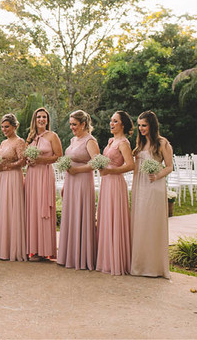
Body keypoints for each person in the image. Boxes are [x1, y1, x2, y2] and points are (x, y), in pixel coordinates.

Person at [130, 111, 173, 278]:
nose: (141, 128)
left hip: (154, 185)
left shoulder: (162, 143)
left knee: (152, 223)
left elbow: (169, 166)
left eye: (144, 125)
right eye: (139, 125)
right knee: (140, 222)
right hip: (139, 186)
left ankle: (154, 266)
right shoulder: (140, 144)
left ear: (152, 125)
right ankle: (140, 265)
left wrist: (157, 175)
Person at [59, 110, 100, 270]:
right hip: (70, 181)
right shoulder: (73, 139)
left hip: (82, 181)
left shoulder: (90, 141)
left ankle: (82, 257)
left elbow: (97, 163)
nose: (72, 127)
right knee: (70, 215)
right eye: (71, 124)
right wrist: (65, 183)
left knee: (81, 215)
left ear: (83, 124)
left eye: (75, 124)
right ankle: (69, 255)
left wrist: (79, 170)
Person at [97, 112, 134, 275]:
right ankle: (107, 259)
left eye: (115, 121)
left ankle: (116, 261)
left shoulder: (124, 143)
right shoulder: (111, 141)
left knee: (115, 218)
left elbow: (131, 165)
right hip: (106, 183)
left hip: (116, 183)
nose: (111, 124)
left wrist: (112, 170)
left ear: (123, 125)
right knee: (106, 218)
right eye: (111, 121)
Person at [0, 113, 29, 261]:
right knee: (1, 208)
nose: (4, 129)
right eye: (2, 127)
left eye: (7, 127)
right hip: (1, 178)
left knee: (11, 209)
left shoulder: (19, 142)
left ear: (14, 126)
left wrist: (6, 166)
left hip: (13, 177)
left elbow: (22, 161)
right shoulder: (3, 143)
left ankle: (13, 248)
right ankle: (0, 246)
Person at [24, 108, 62, 261]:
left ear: (47, 120)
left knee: (43, 209)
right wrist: (28, 159)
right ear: (35, 119)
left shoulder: (52, 136)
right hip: (32, 175)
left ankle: (45, 250)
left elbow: (58, 156)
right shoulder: (31, 137)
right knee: (32, 209)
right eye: (38, 117)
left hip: (45, 174)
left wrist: (40, 160)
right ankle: (33, 249)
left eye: (44, 117)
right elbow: (25, 153)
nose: (41, 119)